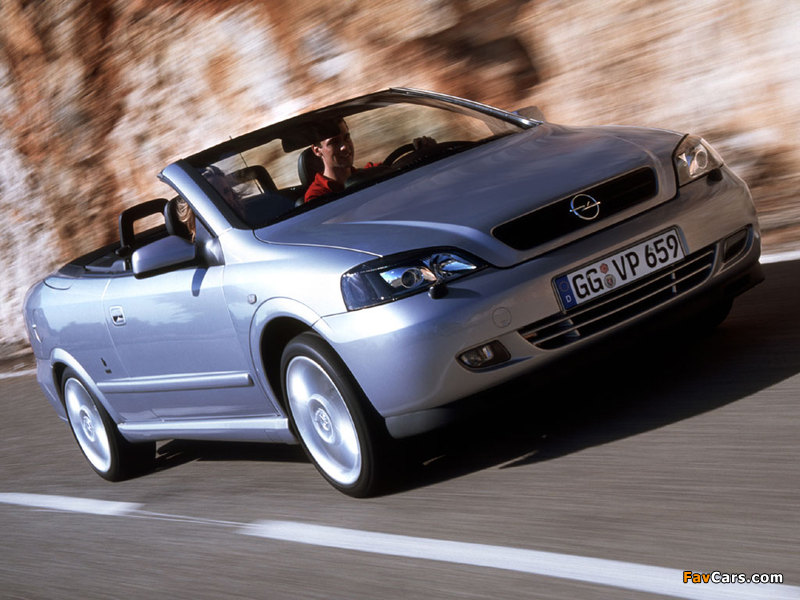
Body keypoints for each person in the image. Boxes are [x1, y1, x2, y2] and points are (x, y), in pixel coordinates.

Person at [304, 118, 435, 203]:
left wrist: (425, 153)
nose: (345, 147)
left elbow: (407, 180)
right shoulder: (316, 196)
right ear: (317, 150)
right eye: (334, 142)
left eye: (347, 137)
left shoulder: (372, 172)